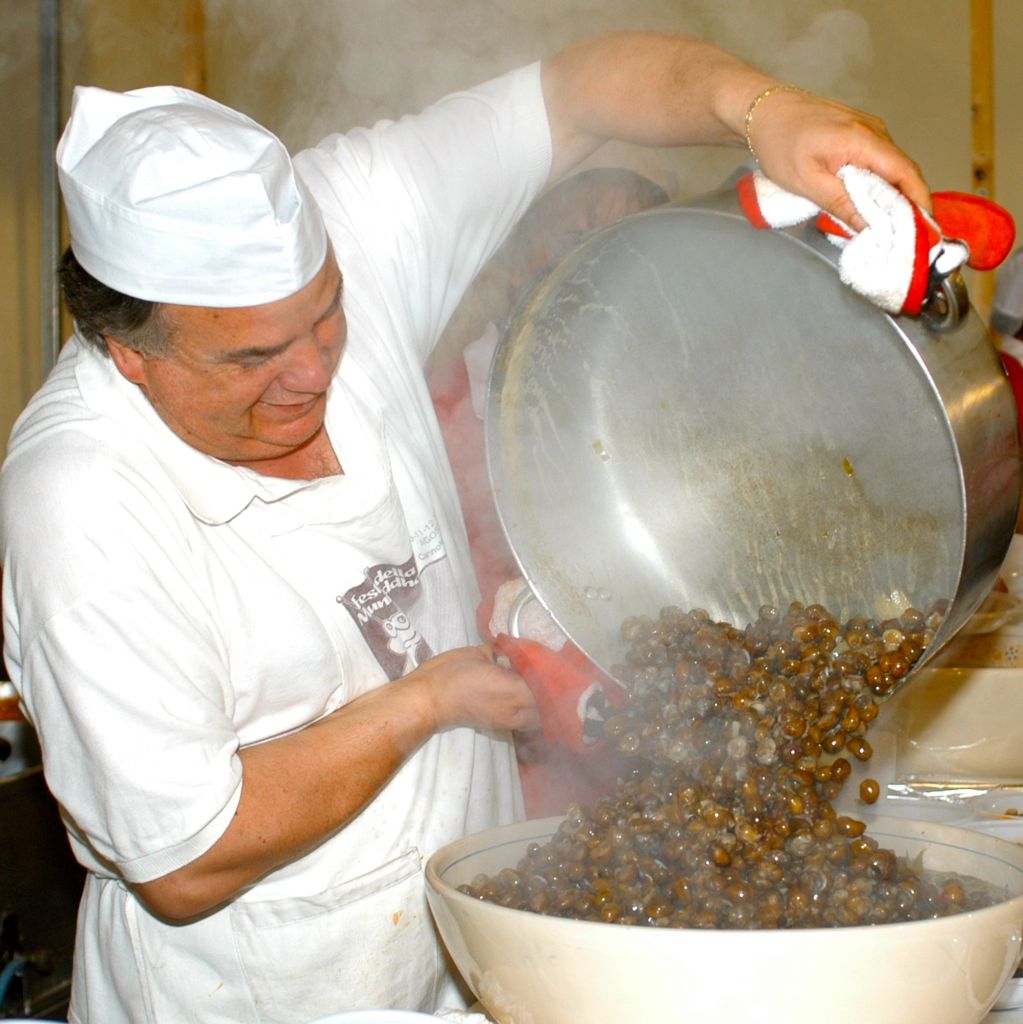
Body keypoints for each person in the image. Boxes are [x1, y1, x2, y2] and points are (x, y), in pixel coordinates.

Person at [0, 28, 931, 1024]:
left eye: (326, 315)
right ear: (127, 352)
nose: (313, 372)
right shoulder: (81, 500)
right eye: (251, 360)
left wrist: (766, 112)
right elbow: (185, 859)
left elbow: (578, 92)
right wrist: (425, 699)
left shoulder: (350, 211)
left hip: (460, 972)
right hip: (257, 1000)